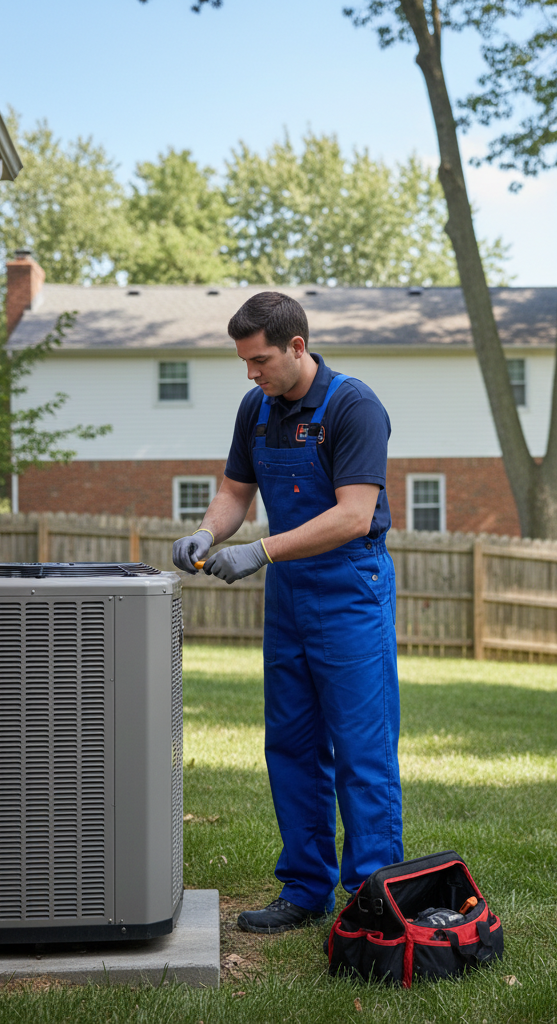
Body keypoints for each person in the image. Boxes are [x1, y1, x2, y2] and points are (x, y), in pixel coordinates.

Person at [172, 291, 403, 934]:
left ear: (297, 347)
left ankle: (372, 898)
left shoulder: (354, 406)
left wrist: (261, 551)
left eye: (261, 360)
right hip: (290, 598)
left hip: (350, 589)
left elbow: (354, 515)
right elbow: (234, 491)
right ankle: (305, 889)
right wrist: (208, 532)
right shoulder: (258, 408)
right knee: (293, 745)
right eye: (245, 362)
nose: (252, 374)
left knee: (361, 749)